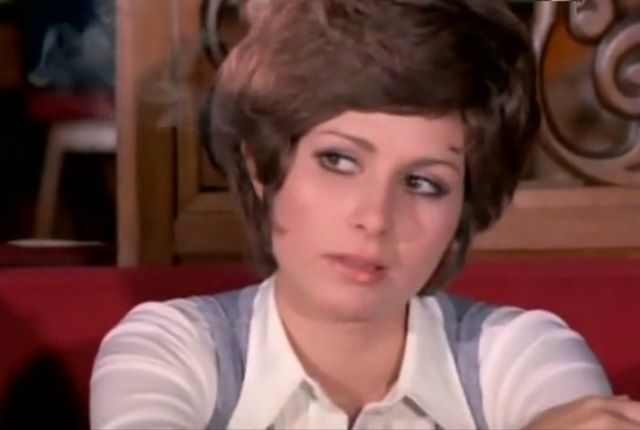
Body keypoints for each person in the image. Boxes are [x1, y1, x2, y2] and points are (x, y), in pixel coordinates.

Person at [90, 0, 640, 428]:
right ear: (261, 164)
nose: (375, 218)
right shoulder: (170, 348)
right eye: (338, 160)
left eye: (423, 183)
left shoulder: (522, 353)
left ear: (464, 207)